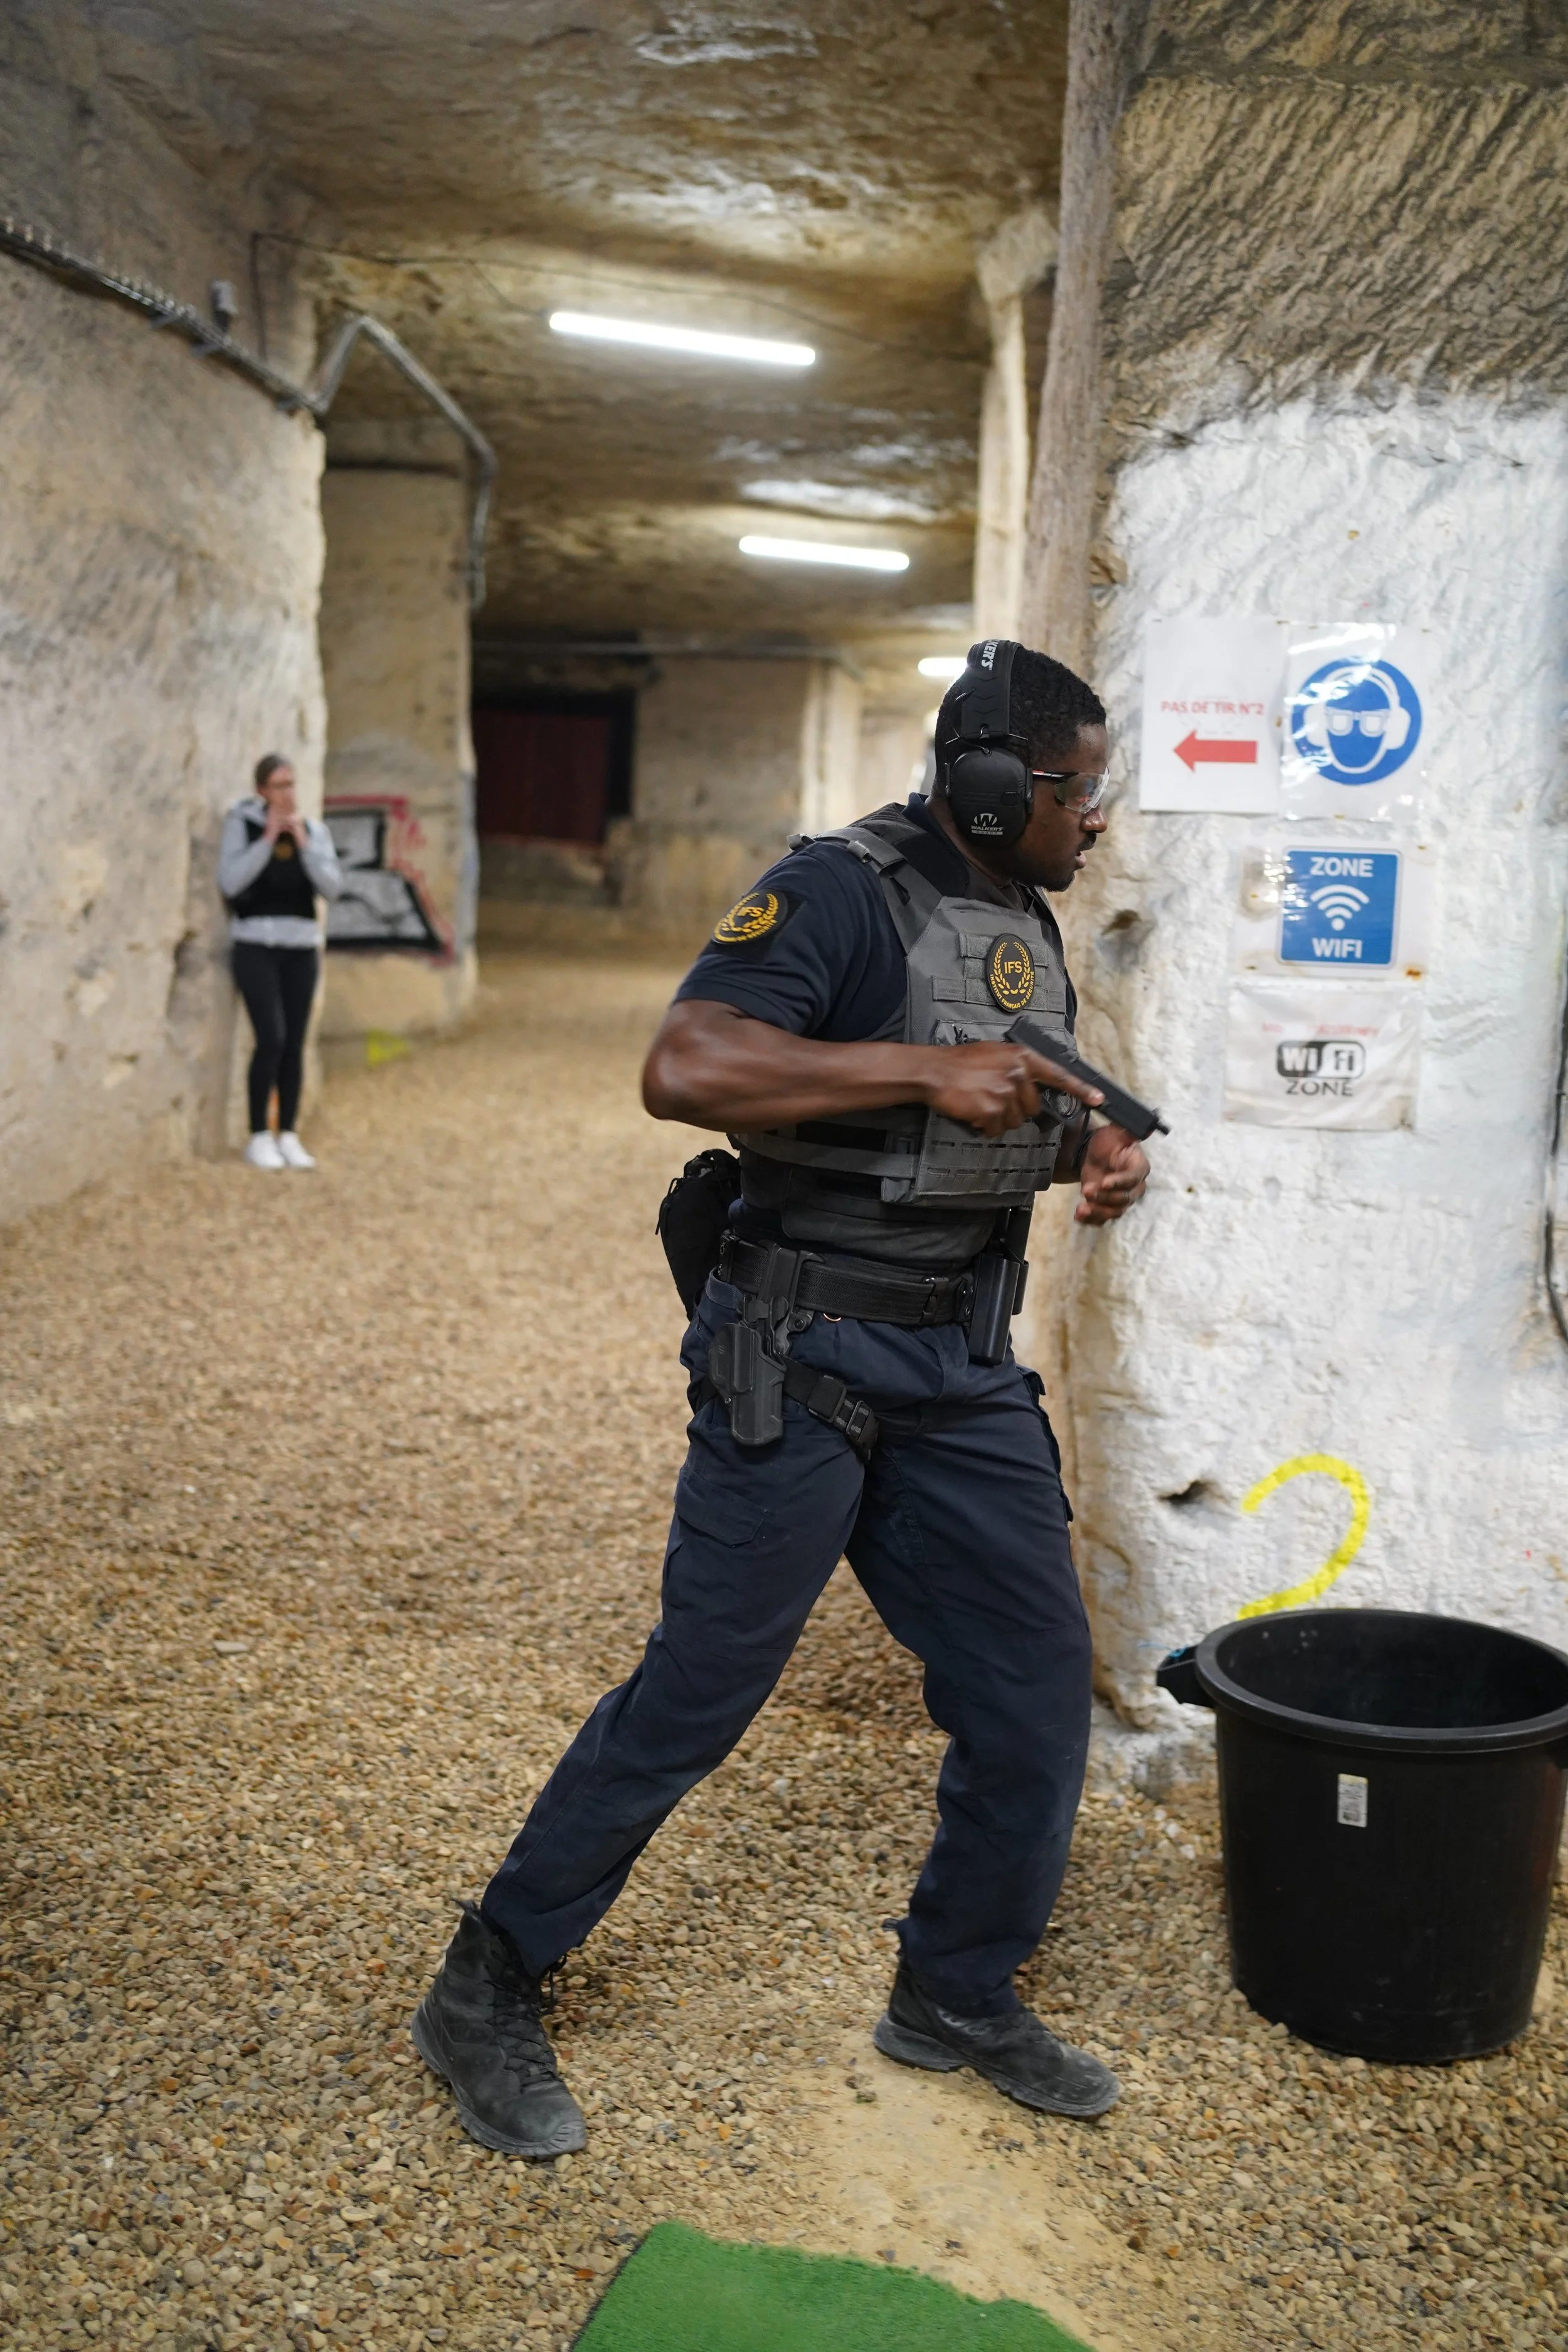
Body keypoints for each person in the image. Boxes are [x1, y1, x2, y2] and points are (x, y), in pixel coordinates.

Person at [412, 641, 1152, 2159]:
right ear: (998, 785)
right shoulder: (831, 888)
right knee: (699, 1689)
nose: (1100, 820)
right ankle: (486, 1976)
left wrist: (1083, 1153)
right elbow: (681, 1063)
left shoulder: (1015, 913)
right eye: (1081, 791)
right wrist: (916, 1075)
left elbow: (994, 1092)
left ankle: (953, 1987)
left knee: (1030, 1686)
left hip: (957, 1369)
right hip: (800, 1357)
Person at [218, 753, 343, 1170]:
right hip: (256, 945)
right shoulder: (243, 824)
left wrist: (303, 845)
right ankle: (258, 1134)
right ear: (262, 791)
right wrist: (268, 839)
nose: (287, 793)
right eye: (278, 785)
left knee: (294, 1042)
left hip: (301, 947)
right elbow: (231, 881)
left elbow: (332, 887)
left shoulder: (314, 831)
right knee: (269, 1038)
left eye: (291, 784)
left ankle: (287, 1133)